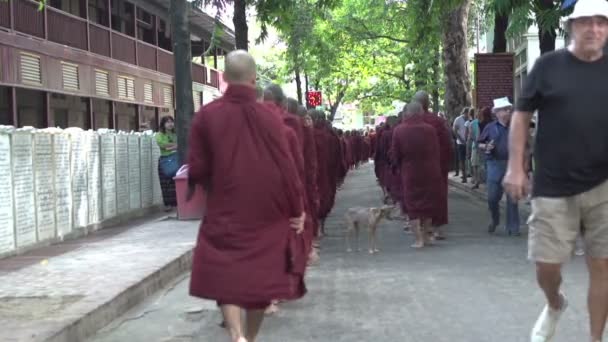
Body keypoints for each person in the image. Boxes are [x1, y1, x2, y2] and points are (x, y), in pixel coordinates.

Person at [504, 1, 608, 341]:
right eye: (586, 22)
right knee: (547, 268)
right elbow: (520, 116)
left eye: (601, 23)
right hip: (553, 186)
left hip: (604, 186)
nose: (594, 29)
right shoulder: (548, 66)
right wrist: (516, 167)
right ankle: (554, 303)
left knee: (602, 267)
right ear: (571, 27)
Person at [187, 50, 307, 342]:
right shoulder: (270, 118)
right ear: (254, 79)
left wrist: (213, 184)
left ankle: (236, 336)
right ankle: (249, 339)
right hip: (267, 210)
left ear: (225, 78)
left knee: (226, 269)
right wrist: (297, 210)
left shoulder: (207, 116)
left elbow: (198, 167)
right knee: (260, 277)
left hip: (225, 207)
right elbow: (286, 166)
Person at [391, 102, 442, 248]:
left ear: (407, 113)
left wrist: (396, 167)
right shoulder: (430, 129)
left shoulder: (399, 130)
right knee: (427, 204)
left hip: (410, 172)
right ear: (420, 113)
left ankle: (418, 239)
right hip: (430, 171)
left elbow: (395, 154)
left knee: (412, 206)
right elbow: (436, 151)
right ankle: (426, 236)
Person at [413, 91, 453, 239]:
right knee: (438, 196)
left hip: (416, 167)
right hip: (436, 165)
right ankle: (437, 228)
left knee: (419, 195)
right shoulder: (437, 121)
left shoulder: (410, 121)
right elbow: (446, 145)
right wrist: (445, 163)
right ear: (428, 103)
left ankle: (422, 227)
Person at [477, 97, 520, 236]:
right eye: (505, 110)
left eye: (509, 109)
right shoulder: (490, 127)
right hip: (494, 164)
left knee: (512, 197)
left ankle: (513, 227)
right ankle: (495, 219)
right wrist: (486, 146)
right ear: (497, 113)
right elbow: (479, 143)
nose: (508, 112)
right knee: (492, 198)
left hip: (512, 164)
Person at [156, 116, 178, 208]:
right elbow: (163, 145)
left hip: (176, 158)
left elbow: (182, 143)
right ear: (163, 124)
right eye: (167, 122)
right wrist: (175, 145)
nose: (170, 124)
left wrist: (171, 147)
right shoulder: (160, 135)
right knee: (166, 184)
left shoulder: (176, 133)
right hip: (165, 160)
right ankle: (168, 205)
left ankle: (178, 203)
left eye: (171, 122)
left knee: (176, 182)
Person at [453, 107, 469, 183]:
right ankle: (464, 177)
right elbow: (455, 130)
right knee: (462, 160)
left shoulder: (469, 119)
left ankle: (468, 174)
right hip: (460, 143)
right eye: (467, 114)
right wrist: (461, 139)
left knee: (468, 160)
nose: (468, 115)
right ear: (464, 113)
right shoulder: (458, 119)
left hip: (468, 142)